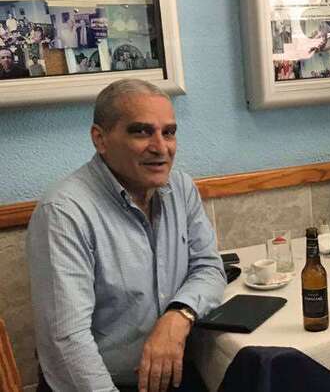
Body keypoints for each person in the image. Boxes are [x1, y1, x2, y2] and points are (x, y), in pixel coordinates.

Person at [27, 79, 226, 391]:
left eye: (169, 132)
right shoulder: (64, 213)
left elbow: (209, 267)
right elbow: (67, 341)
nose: (161, 148)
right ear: (100, 139)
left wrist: (178, 315)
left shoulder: (181, 189)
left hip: (171, 376)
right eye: (141, 131)